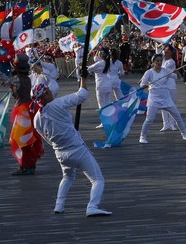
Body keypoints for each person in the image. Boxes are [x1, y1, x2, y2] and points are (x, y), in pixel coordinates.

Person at [33, 79, 112, 217]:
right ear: (45, 95)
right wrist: (83, 79)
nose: (51, 91)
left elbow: (46, 139)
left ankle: (59, 205)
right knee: (97, 179)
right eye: (48, 90)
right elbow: (82, 95)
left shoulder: (37, 118)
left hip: (60, 152)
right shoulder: (57, 104)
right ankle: (92, 206)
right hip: (76, 149)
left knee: (67, 177)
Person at [138, 54, 186, 144]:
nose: (159, 63)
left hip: (166, 98)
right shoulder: (149, 72)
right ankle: (142, 136)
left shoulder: (166, 71)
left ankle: (185, 134)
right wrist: (144, 86)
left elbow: (179, 78)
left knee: (177, 116)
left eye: (160, 61)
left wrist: (176, 72)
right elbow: (142, 84)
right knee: (149, 119)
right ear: (153, 62)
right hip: (154, 98)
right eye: (157, 61)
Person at [9, 53, 43, 175]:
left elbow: (4, 81)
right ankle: (30, 165)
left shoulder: (16, 79)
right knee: (29, 139)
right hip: (29, 108)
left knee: (22, 140)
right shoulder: (27, 79)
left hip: (22, 110)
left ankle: (25, 166)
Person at [87, 48, 114, 128]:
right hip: (108, 84)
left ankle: (104, 122)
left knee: (101, 105)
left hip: (101, 85)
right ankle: (110, 120)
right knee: (108, 103)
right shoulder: (108, 62)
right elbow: (96, 60)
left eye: (99, 53)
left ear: (101, 55)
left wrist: (81, 66)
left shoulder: (99, 64)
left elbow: (89, 68)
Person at [159, 45, 178, 132]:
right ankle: (165, 124)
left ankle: (172, 124)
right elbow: (157, 53)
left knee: (171, 105)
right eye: (165, 50)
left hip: (171, 86)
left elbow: (163, 70)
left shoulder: (171, 62)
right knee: (163, 105)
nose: (165, 52)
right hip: (163, 85)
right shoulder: (162, 60)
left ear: (171, 52)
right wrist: (161, 46)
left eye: (167, 50)